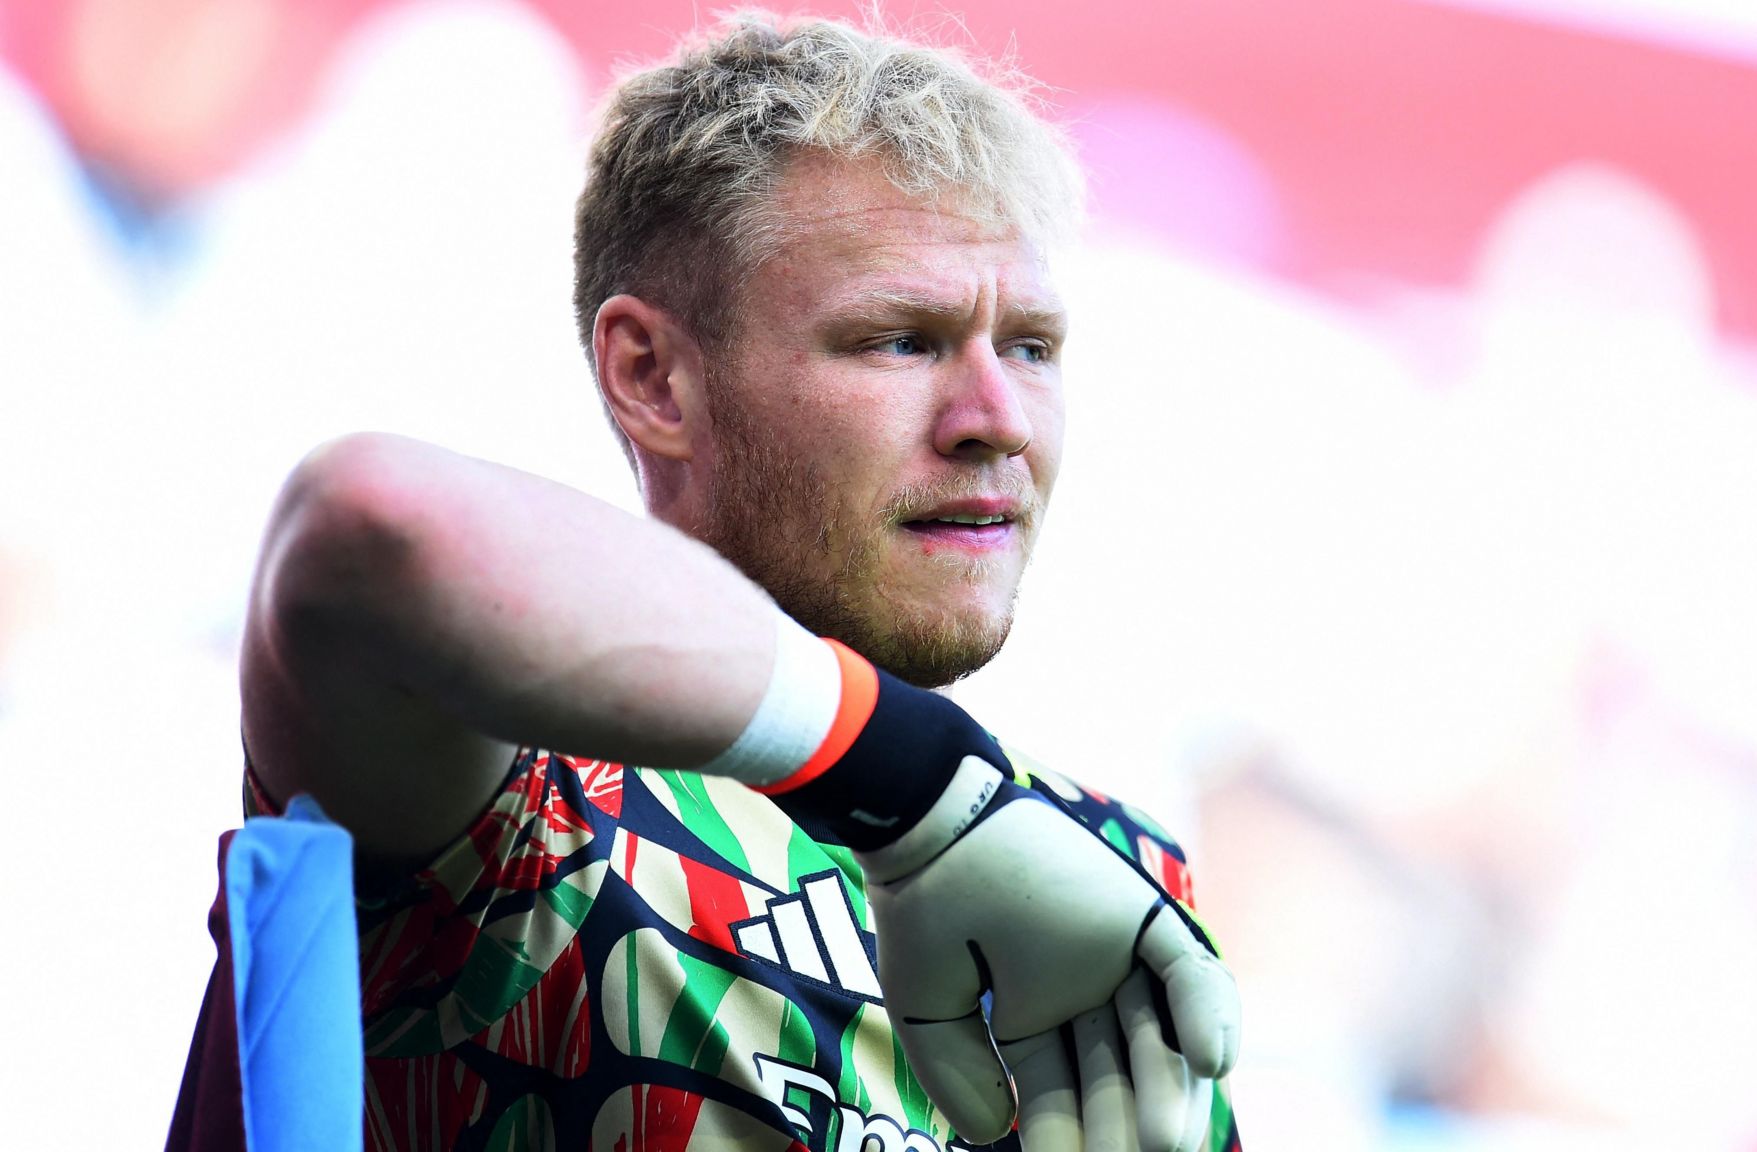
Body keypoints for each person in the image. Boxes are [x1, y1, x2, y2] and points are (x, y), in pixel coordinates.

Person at [169, 12, 1241, 1152]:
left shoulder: (1108, 866)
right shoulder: (512, 799)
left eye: (1029, 346)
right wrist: (914, 786)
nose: (998, 421)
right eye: (899, 340)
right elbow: (367, 521)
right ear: (651, 378)